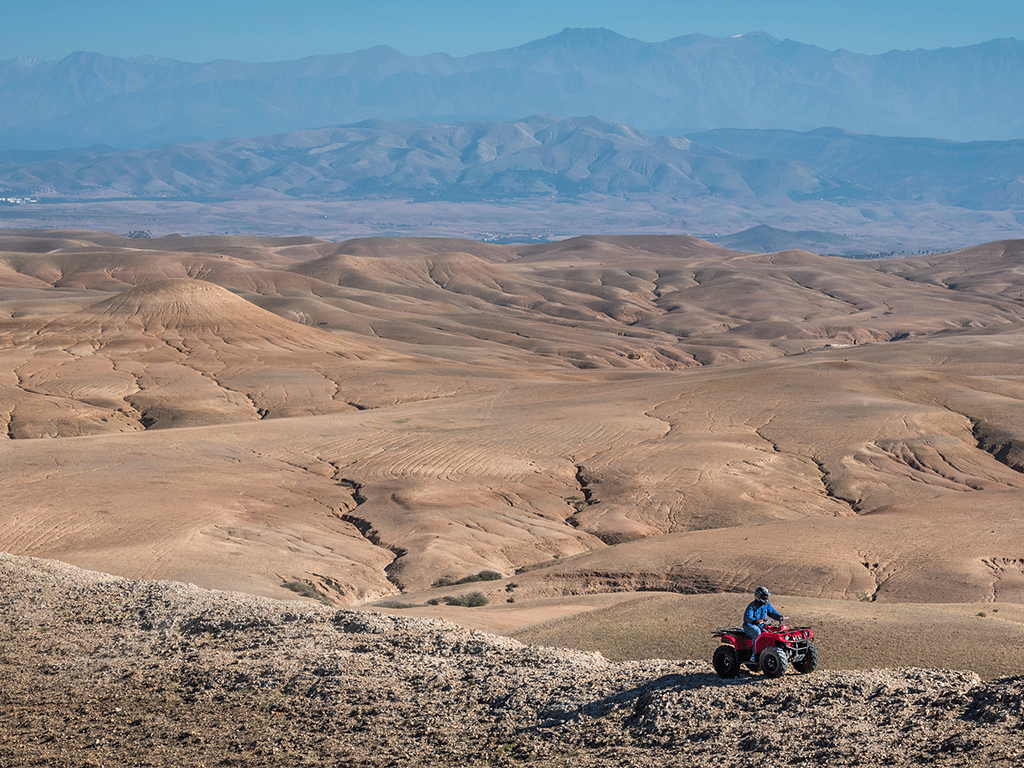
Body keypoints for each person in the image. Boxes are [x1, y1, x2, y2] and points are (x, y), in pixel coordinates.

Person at [743, 586, 783, 663]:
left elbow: (772, 612)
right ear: (758, 596)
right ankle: (754, 655)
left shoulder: (766, 605)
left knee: (772, 631)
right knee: (757, 632)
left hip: (762, 625)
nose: (766, 598)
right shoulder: (751, 606)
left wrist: (779, 617)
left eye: (766, 596)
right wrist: (756, 621)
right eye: (764, 596)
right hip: (750, 626)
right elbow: (747, 618)